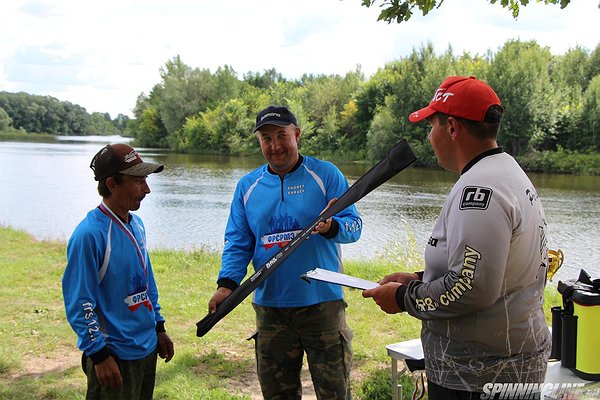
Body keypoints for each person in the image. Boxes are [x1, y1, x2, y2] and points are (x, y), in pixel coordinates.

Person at [363, 76, 551, 399]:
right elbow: (493, 269)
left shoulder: (479, 190)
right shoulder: (507, 172)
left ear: (452, 128)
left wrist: (404, 297)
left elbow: (470, 288)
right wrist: (421, 278)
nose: (429, 136)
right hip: (507, 364)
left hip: (479, 376)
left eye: (431, 125)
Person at [208, 105, 362, 399]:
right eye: (266, 138)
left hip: (323, 306)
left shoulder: (325, 175)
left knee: (335, 394)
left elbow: (354, 225)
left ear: (297, 134)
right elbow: (238, 242)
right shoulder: (247, 187)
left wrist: (331, 227)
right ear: (259, 142)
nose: (275, 146)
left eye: (282, 135)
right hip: (271, 309)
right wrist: (226, 285)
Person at [63, 143, 174, 400]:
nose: (147, 189)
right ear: (112, 184)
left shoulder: (137, 225)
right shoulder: (90, 234)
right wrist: (99, 356)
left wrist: (158, 327)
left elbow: (146, 283)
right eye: (138, 181)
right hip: (115, 355)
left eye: (145, 180)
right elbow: (80, 303)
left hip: (146, 349)